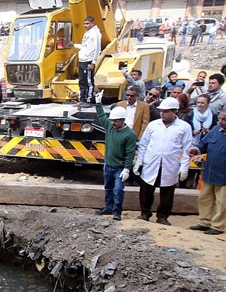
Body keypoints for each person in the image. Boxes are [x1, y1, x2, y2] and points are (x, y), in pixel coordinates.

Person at [134, 97, 193, 225]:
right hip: (152, 162)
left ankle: (162, 216)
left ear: (174, 111)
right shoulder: (153, 125)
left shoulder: (184, 127)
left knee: (167, 192)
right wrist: (139, 161)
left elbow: (187, 149)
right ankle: (145, 212)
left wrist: (184, 168)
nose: (162, 114)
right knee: (146, 189)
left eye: (166, 111)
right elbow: (143, 144)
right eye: (161, 111)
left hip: (169, 164)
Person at [94, 106, 137, 220]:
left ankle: (117, 211)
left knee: (118, 189)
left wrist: (127, 168)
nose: (113, 123)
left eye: (116, 121)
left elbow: (130, 153)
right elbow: (102, 116)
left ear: (123, 120)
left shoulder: (130, 135)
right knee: (108, 187)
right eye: (112, 120)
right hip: (108, 165)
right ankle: (108, 207)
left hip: (120, 168)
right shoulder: (110, 127)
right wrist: (98, 104)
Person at [188, 111, 226, 235]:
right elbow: (203, 144)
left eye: (224, 120)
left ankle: (218, 226)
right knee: (204, 198)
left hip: (224, 176)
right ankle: (204, 222)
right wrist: (196, 149)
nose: (220, 122)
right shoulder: (216, 129)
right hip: (210, 172)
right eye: (220, 119)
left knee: (222, 202)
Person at [73, 16, 101, 105]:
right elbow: (84, 46)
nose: (85, 25)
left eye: (87, 23)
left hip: (89, 61)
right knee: (82, 81)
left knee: (89, 82)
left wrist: (93, 62)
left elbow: (97, 49)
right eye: (84, 24)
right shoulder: (87, 33)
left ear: (92, 23)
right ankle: (82, 99)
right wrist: (74, 45)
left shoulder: (95, 33)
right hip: (82, 60)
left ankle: (89, 100)